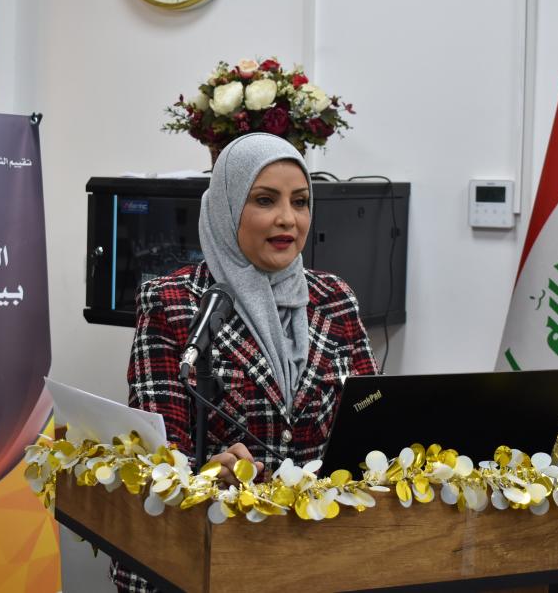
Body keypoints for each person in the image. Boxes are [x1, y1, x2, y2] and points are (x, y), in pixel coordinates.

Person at [112, 133, 378, 592]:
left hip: (320, 557)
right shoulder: (173, 303)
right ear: (227, 208)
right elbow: (158, 451)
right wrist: (205, 471)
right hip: (211, 554)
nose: (287, 218)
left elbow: (371, 421)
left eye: (300, 202)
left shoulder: (335, 299)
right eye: (265, 200)